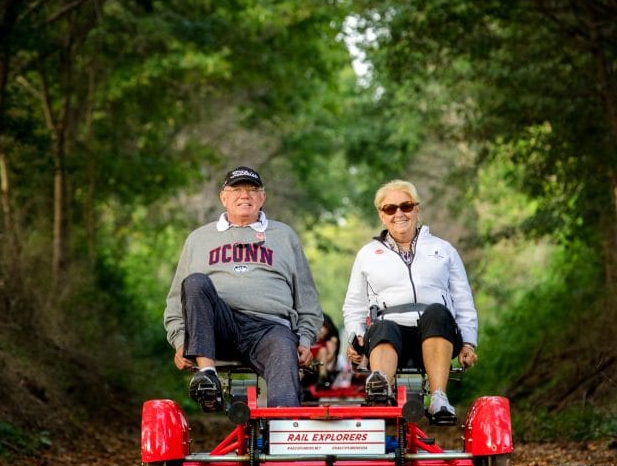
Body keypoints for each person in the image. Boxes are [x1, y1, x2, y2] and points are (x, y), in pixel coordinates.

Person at [164, 166, 321, 411]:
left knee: (283, 347)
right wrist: (180, 340)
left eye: (252, 189)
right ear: (223, 197)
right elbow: (177, 299)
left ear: (262, 197)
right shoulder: (198, 239)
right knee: (195, 282)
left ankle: (285, 430)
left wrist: (305, 338)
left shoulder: (284, 236)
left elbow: (307, 298)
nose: (244, 195)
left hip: (268, 329)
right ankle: (208, 378)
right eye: (236, 189)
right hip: (218, 328)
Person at [342, 179, 478, 424]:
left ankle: (438, 398)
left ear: (417, 209)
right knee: (382, 325)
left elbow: (463, 298)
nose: (399, 214)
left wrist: (468, 342)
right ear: (381, 216)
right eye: (390, 209)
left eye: (405, 206)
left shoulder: (443, 249)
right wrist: (355, 336)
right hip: (390, 334)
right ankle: (381, 389)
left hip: (436, 332)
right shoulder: (368, 254)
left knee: (437, 311)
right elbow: (354, 305)